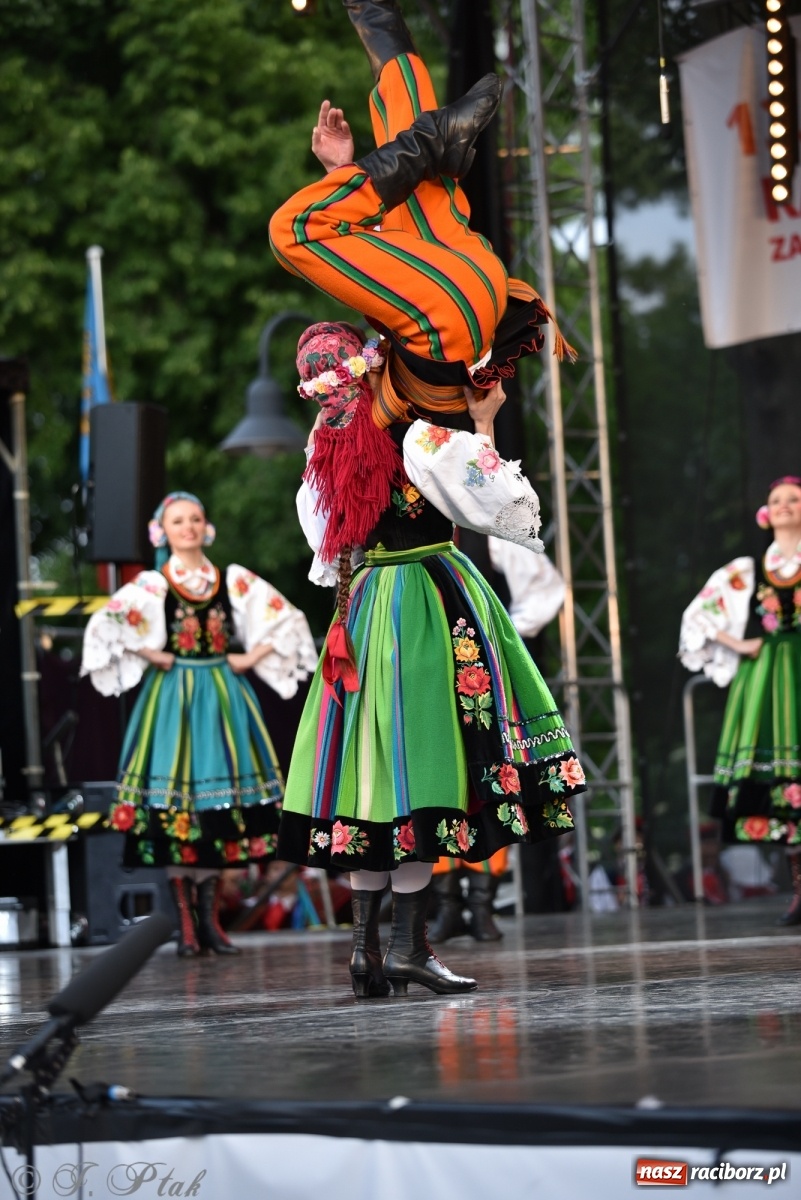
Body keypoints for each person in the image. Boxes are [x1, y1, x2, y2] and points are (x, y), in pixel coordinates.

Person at [275, 321, 585, 1000]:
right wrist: (482, 423)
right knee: (423, 771)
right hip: (422, 598)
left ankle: (367, 953)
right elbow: (499, 505)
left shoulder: (319, 448)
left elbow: (323, 548)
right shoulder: (416, 435)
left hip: (360, 608)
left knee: (373, 777)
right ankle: (407, 948)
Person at [269, 0, 575, 443]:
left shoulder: (329, 456)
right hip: (447, 324)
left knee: (409, 161)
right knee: (291, 231)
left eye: (325, 378)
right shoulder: (382, 464)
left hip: (455, 280)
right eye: (325, 380)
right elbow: (491, 504)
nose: (332, 384)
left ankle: (376, 21)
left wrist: (340, 171)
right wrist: (485, 424)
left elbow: (370, 262)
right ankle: (431, 142)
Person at [81, 492, 318, 956]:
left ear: (205, 527)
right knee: (177, 809)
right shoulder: (154, 584)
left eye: (194, 519)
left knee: (217, 811)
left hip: (222, 695)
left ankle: (208, 920)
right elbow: (107, 623)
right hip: (173, 700)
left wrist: (249, 657)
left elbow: (286, 617)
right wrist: (152, 652)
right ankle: (187, 926)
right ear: (162, 532)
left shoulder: (230, 580)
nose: (187, 527)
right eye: (177, 521)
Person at [428, 543, 567, 943]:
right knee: (437, 781)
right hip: (428, 671)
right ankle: (448, 905)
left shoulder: (479, 520)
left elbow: (544, 588)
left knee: (493, 780)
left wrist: (502, 635)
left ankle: (481, 906)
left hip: (482, 675)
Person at [679, 475, 801, 925]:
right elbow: (699, 616)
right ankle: (799, 891)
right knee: (782, 784)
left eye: (794, 499)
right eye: (777, 500)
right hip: (768, 679)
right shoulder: (748, 569)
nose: (786, 505)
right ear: (766, 513)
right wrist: (740, 642)